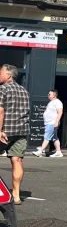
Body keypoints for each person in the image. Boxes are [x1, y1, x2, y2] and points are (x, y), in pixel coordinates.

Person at [0, 64, 31, 205]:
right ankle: (16, 195)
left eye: (1, 73)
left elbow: (0, 111)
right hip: (21, 131)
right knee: (17, 161)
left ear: (8, 76)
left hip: (5, 131)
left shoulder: (3, 89)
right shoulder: (24, 91)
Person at [35, 90, 64, 158]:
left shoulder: (57, 102)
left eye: (49, 94)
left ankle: (40, 151)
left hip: (52, 123)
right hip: (49, 122)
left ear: (54, 95)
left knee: (47, 137)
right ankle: (58, 152)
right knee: (54, 138)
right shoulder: (52, 102)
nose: (48, 95)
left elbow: (60, 112)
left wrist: (56, 121)